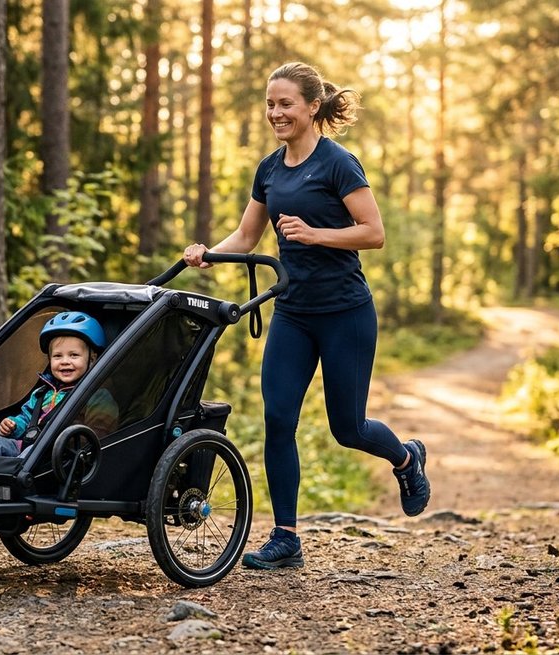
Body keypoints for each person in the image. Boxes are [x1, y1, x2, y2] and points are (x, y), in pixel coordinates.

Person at [182, 62, 431, 570]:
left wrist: (316, 234)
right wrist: (210, 254)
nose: (276, 113)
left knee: (348, 428)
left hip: (345, 313)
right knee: (278, 420)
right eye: (270, 104)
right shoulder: (269, 169)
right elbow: (247, 236)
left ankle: (406, 458)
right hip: (293, 313)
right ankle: (286, 538)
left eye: (286, 104)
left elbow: (374, 233)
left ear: (312, 107)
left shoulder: (339, 163)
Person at [0, 311, 118, 457]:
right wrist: (14, 425)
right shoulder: (41, 393)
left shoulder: (97, 396)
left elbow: (98, 435)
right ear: (49, 360)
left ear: (92, 359)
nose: (65, 361)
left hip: (61, 455)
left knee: (31, 453)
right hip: (26, 446)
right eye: (57, 356)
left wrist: (65, 442)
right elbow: (26, 419)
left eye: (74, 355)